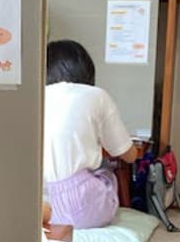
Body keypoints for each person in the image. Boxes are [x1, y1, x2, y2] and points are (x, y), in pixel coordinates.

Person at [43, 40, 138, 229]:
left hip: (40, 201)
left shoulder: (37, 95)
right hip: (82, 205)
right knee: (106, 174)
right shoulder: (97, 95)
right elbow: (129, 155)